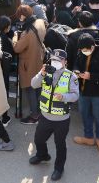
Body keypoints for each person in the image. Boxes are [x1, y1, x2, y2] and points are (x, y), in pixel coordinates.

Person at [29, 49, 80, 181]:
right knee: (38, 139)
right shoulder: (46, 71)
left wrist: (63, 97)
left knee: (60, 145)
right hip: (45, 116)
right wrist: (41, 73)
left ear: (65, 62)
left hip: (62, 120)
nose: (55, 62)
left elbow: (75, 96)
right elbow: (33, 84)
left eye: (59, 60)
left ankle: (59, 168)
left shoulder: (71, 76)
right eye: (53, 59)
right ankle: (42, 155)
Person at [73, 33, 99, 155]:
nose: (83, 52)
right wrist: (76, 71)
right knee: (84, 113)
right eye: (81, 50)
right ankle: (89, 137)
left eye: (85, 50)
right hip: (83, 90)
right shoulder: (81, 52)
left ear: (92, 46)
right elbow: (76, 63)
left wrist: (91, 76)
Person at [13, 5, 47, 125]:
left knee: (30, 88)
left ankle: (34, 115)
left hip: (28, 63)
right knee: (38, 86)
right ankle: (40, 110)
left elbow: (17, 48)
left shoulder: (27, 32)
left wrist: (15, 36)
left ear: (22, 16)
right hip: (39, 58)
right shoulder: (39, 22)